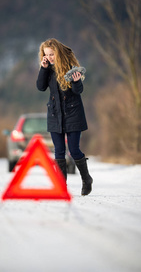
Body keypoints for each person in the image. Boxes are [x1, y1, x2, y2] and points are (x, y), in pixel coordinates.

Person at [36, 38, 93, 195]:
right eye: (46, 55)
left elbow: (78, 91)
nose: (49, 57)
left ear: (58, 52)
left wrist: (76, 81)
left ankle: (86, 179)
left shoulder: (71, 67)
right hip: (55, 115)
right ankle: (61, 186)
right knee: (58, 151)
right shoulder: (47, 69)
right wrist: (43, 68)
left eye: (52, 54)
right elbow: (40, 87)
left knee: (74, 150)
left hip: (73, 114)